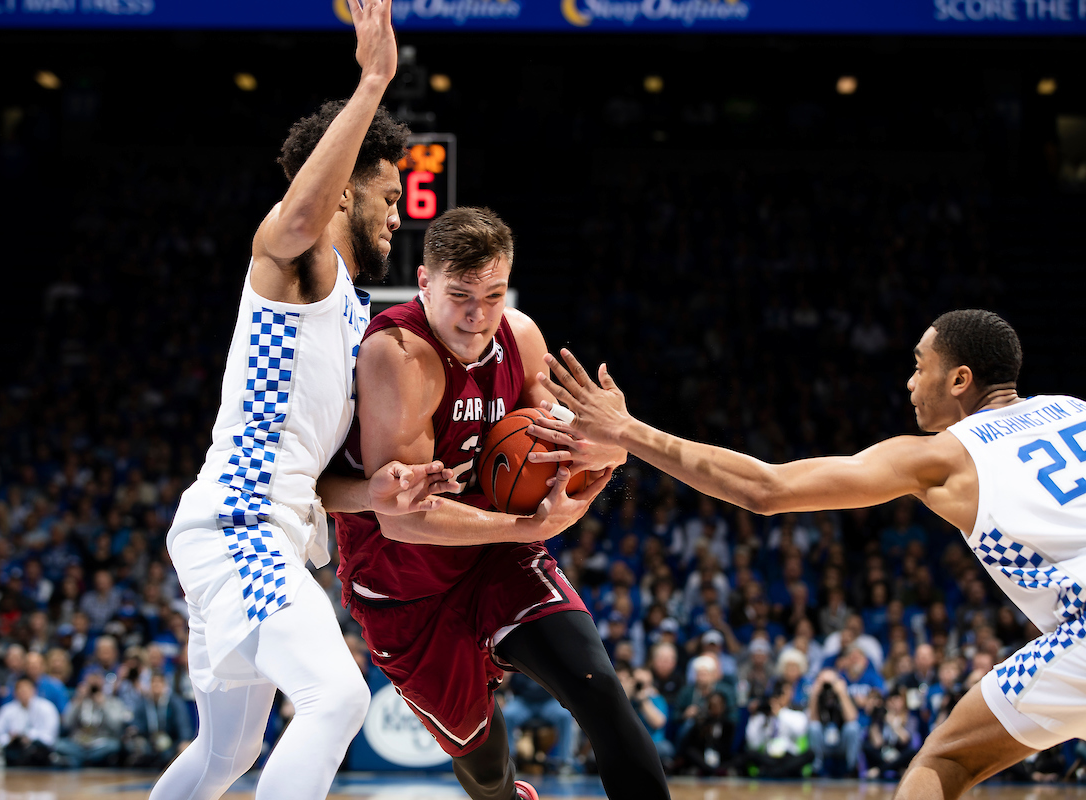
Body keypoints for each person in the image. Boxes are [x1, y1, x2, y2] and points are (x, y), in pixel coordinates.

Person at [535, 308, 1086, 799]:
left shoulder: (945, 456)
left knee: (945, 760)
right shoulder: (1072, 409)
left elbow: (766, 490)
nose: (911, 381)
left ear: (960, 379)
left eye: (921, 366)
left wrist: (629, 431)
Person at [148, 3, 458, 799]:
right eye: (387, 196)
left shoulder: (354, 313)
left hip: (269, 533)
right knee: (339, 698)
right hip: (242, 527)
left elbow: (317, 476)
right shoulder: (297, 269)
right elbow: (296, 215)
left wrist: (371, 491)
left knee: (225, 757)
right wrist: (374, 81)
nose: (398, 213)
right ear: (344, 192)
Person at [328, 206, 668, 800]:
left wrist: (606, 449)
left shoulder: (520, 335)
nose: (478, 314)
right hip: (405, 584)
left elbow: (564, 444)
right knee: (487, 771)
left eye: (492, 294)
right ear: (426, 283)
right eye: (460, 294)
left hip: (495, 557)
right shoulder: (397, 355)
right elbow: (402, 519)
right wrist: (523, 524)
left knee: (598, 689)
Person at [0, 676, 59, 767]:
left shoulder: (47, 707)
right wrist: (9, 737)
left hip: (39, 752)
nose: (23, 692)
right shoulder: (7, 709)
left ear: (34, 690)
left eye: (26, 689)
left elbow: (50, 736)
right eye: (20, 689)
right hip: (13, 751)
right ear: (15, 692)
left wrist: (30, 737)